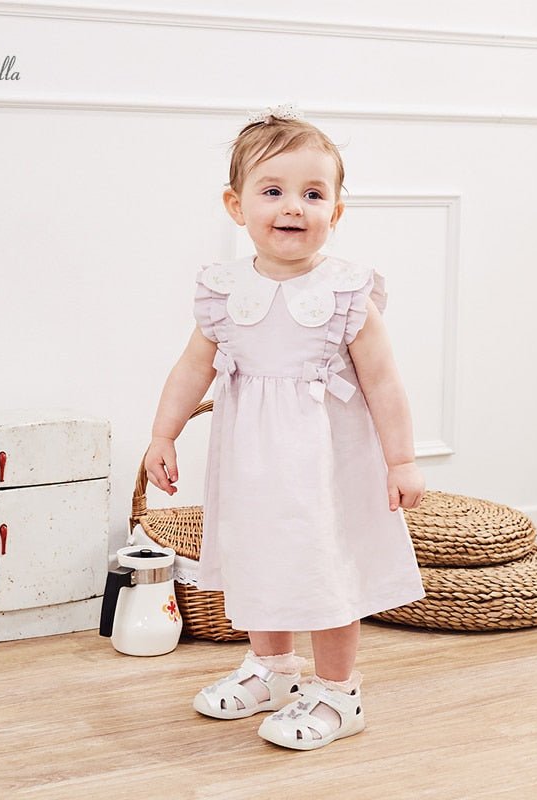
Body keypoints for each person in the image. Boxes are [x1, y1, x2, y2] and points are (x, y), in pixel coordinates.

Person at [145, 104, 425, 751]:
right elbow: (192, 368)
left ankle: (338, 692)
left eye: (313, 194)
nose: (293, 207)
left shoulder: (346, 292)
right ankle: (272, 668)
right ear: (236, 205)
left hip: (324, 470)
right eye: (272, 191)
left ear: (336, 211)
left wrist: (402, 460)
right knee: (258, 560)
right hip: (250, 465)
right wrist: (163, 434)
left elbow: (384, 382)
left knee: (326, 568)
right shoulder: (224, 291)